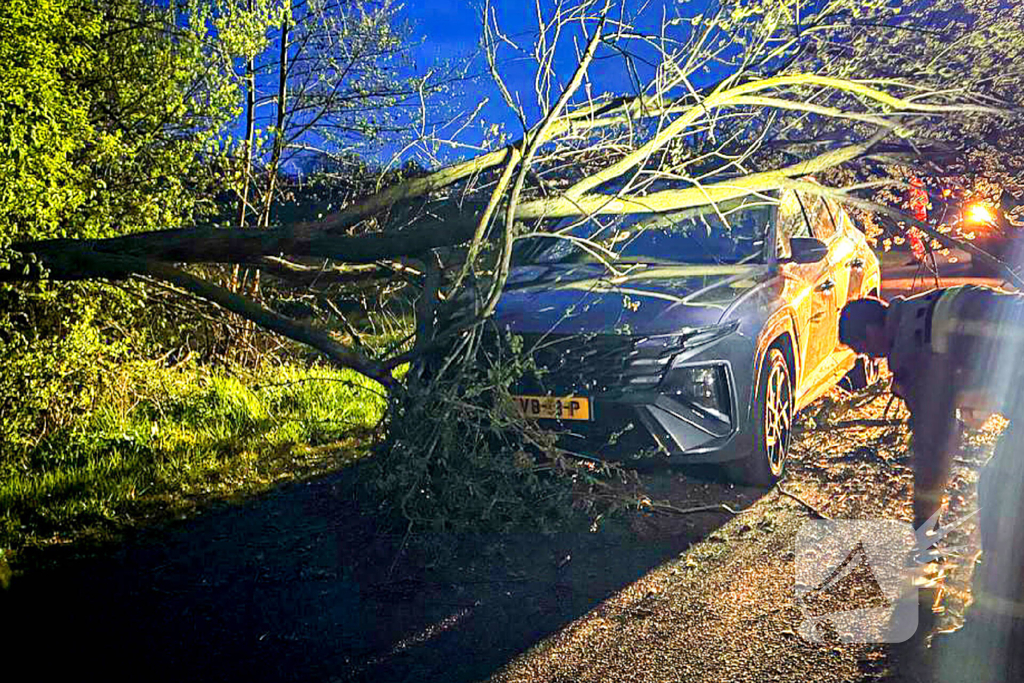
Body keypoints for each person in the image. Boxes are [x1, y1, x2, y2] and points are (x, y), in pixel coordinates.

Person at [839, 285, 1024, 681]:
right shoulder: (926, 310)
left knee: (1004, 505)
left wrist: (925, 523)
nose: (869, 358)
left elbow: (935, 440)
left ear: (874, 329)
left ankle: (1001, 635)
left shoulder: (914, 346)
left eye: (863, 348)